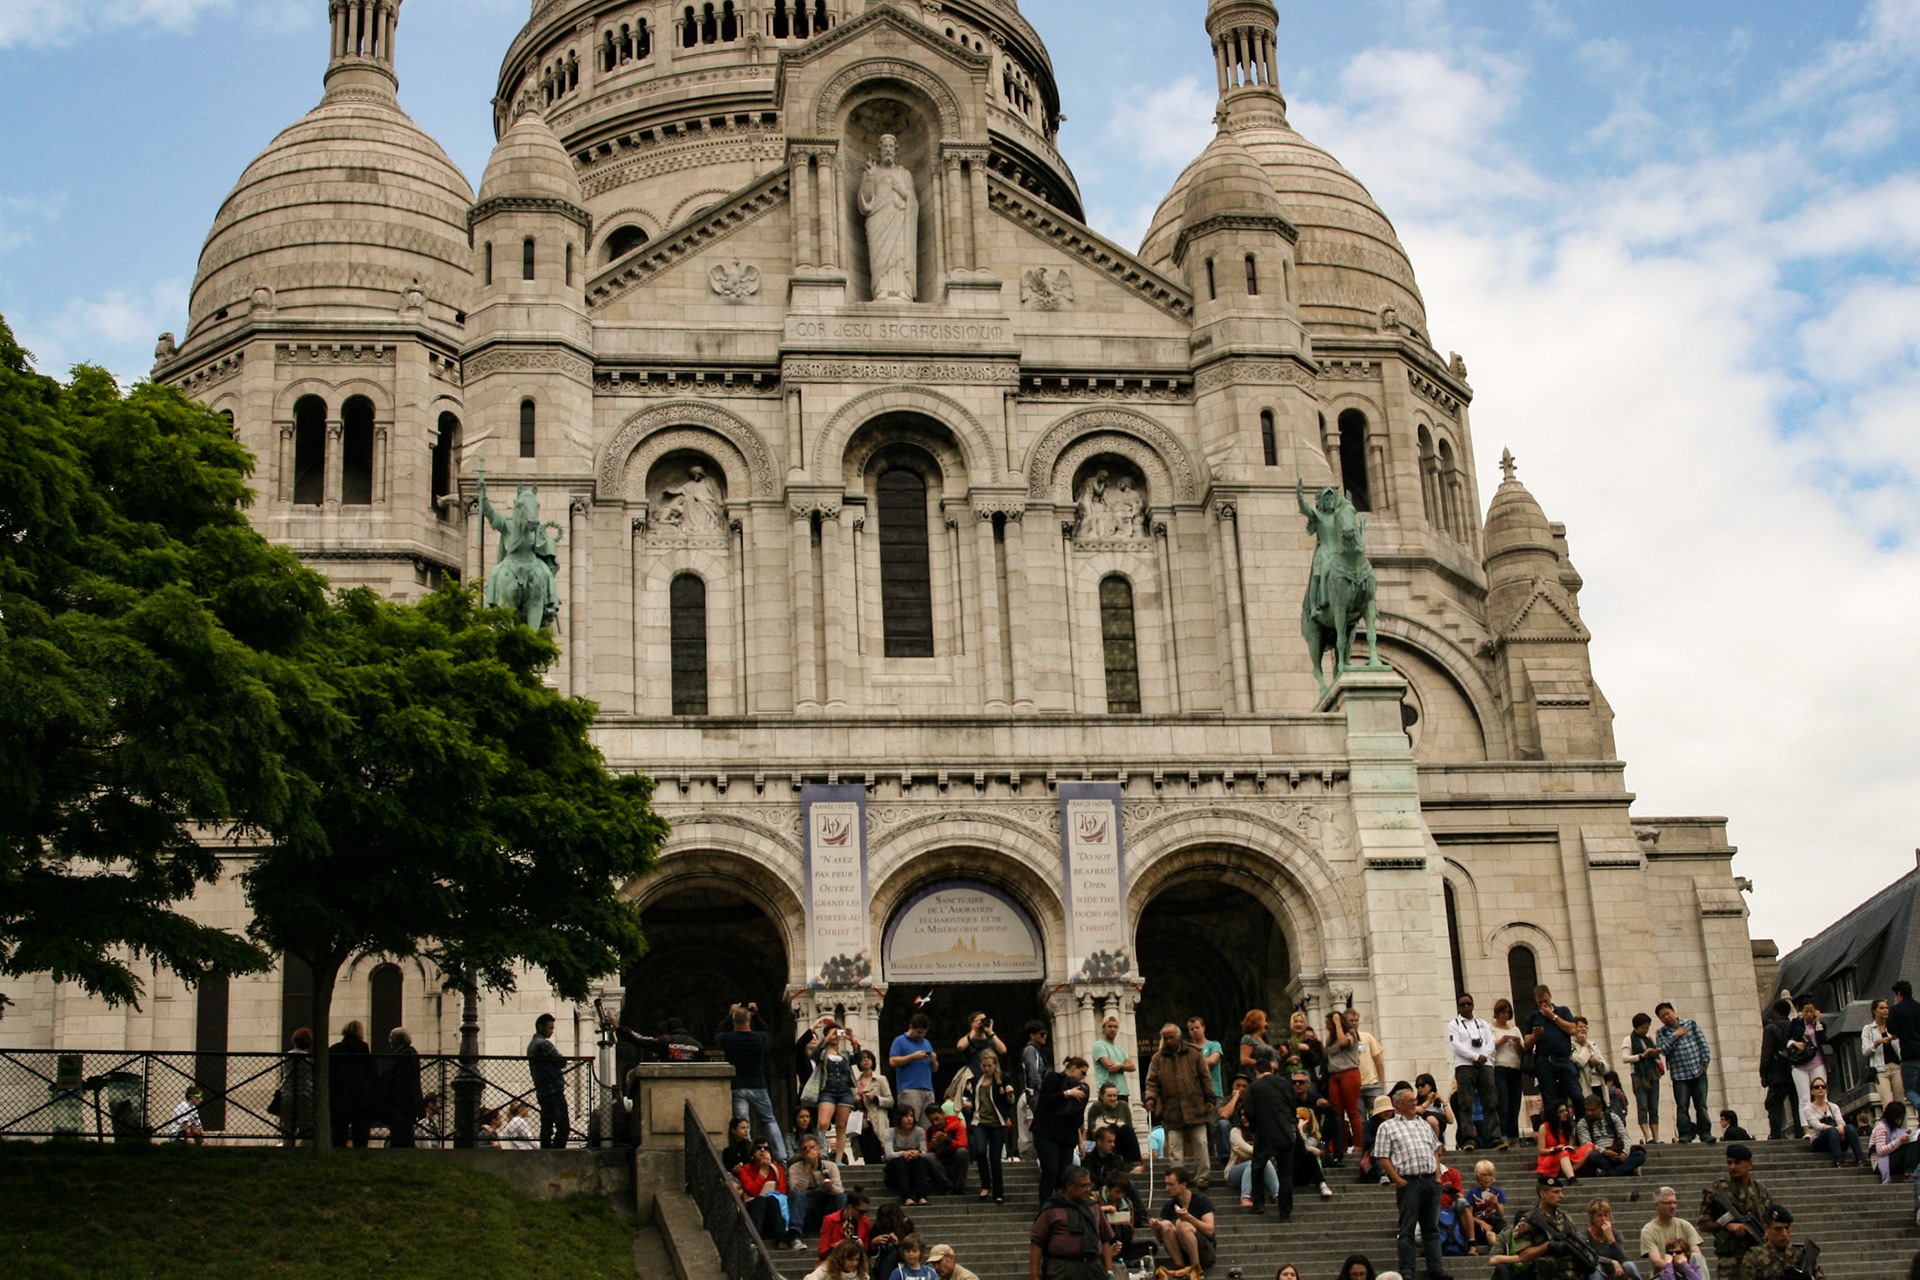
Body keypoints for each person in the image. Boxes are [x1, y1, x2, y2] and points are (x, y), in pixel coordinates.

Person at [1374, 1084, 1450, 1280]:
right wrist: (1397, 1180)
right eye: (1410, 1101)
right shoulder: (1388, 1126)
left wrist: (1438, 1176)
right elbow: (1382, 1156)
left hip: (1430, 1180)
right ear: (1398, 1104)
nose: (1415, 1103)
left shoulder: (1423, 1124)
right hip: (1409, 1182)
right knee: (1407, 1229)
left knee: (1431, 1228)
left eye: (1415, 1100)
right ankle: (1407, 1270)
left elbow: (1436, 1149)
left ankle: (1436, 1268)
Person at [1144, 1021, 1216, 1183]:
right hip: (1172, 1111)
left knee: (1201, 1143)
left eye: (1171, 1038)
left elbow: (1206, 1078)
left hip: (1196, 1107)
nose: (1168, 1041)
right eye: (1165, 1038)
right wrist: (1150, 1097)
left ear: (1178, 1037)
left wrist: (1210, 1098)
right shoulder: (1158, 1059)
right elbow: (1152, 1082)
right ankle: (1179, 1180)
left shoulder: (1195, 1054)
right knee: (1175, 1149)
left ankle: (1202, 1177)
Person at [716, 1002, 787, 1163]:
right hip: (759, 1085)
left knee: (743, 1124)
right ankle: (782, 1155)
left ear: (734, 1022)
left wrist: (729, 1015)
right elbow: (766, 1031)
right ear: (749, 1021)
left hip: (738, 1086)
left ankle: (748, 1155)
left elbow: (718, 1034)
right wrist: (757, 1015)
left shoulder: (729, 1039)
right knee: (769, 1120)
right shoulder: (759, 1038)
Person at [1696, 1142, 1771, 1274]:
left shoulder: (1760, 1190)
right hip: (1731, 1261)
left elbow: (1771, 1219)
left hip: (1759, 1258)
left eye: (1737, 1163)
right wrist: (1727, 1226)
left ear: (1750, 1165)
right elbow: (1703, 1223)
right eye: (1729, 1163)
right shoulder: (1718, 1189)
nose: (1732, 1167)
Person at [1028, 1166, 1115, 1280]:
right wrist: (1035, 1276)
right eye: (1083, 1186)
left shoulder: (1094, 1207)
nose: (1088, 1189)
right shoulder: (1052, 1210)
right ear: (1069, 1186)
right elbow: (1037, 1243)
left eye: (1089, 1185)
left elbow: (1105, 1240)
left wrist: (1109, 1271)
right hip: (1062, 1268)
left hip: (1093, 1267)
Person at [1496, 1174, 1579, 1280]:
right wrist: (1547, 1246)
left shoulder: (1565, 1216)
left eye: (1561, 1191)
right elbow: (1524, 1255)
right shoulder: (1529, 1220)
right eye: (1556, 1192)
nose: (1561, 1195)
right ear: (1543, 1194)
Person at [1447, 994, 1503, 1152]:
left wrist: (1483, 1056)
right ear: (1458, 1007)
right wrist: (1475, 1056)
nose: (1466, 1007)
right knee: (1465, 1102)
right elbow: (1455, 1045)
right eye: (1462, 1005)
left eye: (1468, 1004)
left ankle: (1494, 1137)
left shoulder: (1482, 1023)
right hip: (1465, 1065)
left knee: (1490, 1101)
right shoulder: (1454, 1024)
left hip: (1484, 1065)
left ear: (1473, 1005)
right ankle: (1469, 1138)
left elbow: (1490, 1041)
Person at [1033, 1056, 1090, 1206]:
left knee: (1064, 1174)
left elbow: (1078, 1117)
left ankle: (1061, 1204)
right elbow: (1046, 1100)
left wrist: (1080, 1140)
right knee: (1050, 1170)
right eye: (1082, 1073)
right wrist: (1068, 1093)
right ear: (1073, 1068)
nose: (1083, 1077)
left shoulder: (1081, 1088)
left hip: (1066, 1135)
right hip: (1047, 1132)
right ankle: (1045, 1205)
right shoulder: (1053, 1078)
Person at [1654, 1003, 1713, 1145]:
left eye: (1668, 1013)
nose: (1666, 1017)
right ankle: (1685, 1134)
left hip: (1697, 1072)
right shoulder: (1662, 1033)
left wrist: (1704, 1063)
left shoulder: (1690, 1024)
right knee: (1682, 1106)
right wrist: (1675, 1035)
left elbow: (1702, 1043)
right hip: (1679, 1075)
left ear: (1673, 1011)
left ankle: (1705, 1132)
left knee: (1701, 1105)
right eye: (1663, 1017)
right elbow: (1664, 1049)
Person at [960, 1049, 1013, 1203]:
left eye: (989, 1066)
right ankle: (985, 1184)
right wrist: (969, 1104)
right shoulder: (977, 1080)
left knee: (995, 1158)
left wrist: (1009, 1094)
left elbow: (1008, 1102)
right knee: (980, 1151)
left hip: (997, 1123)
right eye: (984, 1066)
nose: (987, 1069)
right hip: (980, 1121)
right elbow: (973, 1098)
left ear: (995, 1065)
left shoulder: (1003, 1079)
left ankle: (998, 1191)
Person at [1247, 1057, 1296, 1220]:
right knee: (1285, 1173)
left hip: (1265, 1132)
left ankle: (1258, 1203)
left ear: (1256, 1072)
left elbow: (1250, 1112)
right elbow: (1291, 1106)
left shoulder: (1254, 1087)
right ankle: (1285, 1211)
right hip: (1285, 1132)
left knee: (1258, 1166)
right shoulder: (1285, 1084)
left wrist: (1254, 1129)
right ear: (1271, 1069)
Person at [1524, 986, 1582, 1116]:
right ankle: (1555, 1129)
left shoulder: (1563, 1011)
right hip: (1544, 1062)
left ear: (1550, 997)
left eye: (1545, 1001)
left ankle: (1581, 1127)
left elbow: (1573, 1030)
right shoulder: (1533, 1017)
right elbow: (1526, 1043)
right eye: (1540, 1003)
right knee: (1551, 1101)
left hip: (1563, 1059)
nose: (1543, 1005)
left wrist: (1553, 1017)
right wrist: (1535, 1036)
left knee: (1576, 1095)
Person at [1147, 1167, 1217, 1274]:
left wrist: (1189, 1218)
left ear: (1183, 1185)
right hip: (1181, 1252)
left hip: (1204, 1251)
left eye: (1171, 1184)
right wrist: (1157, 1227)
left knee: (1182, 1225)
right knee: (1165, 1224)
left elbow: (1209, 1230)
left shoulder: (1202, 1201)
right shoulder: (1169, 1206)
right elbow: (1162, 1239)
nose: (1167, 1188)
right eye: (1166, 1184)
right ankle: (1180, 1267)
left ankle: (1196, 1269)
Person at [739, 1140, 800, 1248]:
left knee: (772, 1199)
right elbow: (752, 1191)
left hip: (773, 1208)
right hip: (755, 1207)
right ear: (753, 1152)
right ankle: (755, 1238)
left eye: (766, 1148)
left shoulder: (777, 1169)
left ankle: (781, 1238)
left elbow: (781, 1191)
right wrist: (763, 1172)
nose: (762, 1151)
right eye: (759, 1148)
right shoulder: (745, 1170)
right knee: (760, 1200)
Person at [1757, 999, 1802, 1142]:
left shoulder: (1771, 1028)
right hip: (1796, 1070)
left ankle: (1775, 1134)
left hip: (1778, 1073)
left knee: (1774, 1104)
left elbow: (1767, 1054)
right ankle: (1800, 1133)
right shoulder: (1795, 1027)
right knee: (1797, 1104)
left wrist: (1763, 1074)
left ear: (1776, 1012)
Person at [1738, 1206, 1824, 1279]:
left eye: (1787, 1228)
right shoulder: (1754, 1257)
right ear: (1766, 1229)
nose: (1784, 1234)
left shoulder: (1801, 1256)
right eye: (1778, 1229)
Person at [1637, 1186, 1706, 1279]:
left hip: (1688, 1273)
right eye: (1668, 1203)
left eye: (1674, 1202)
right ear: (1657, 1206)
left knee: (1697, 1258)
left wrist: (1686, 1268)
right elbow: (1656, 1261)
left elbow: (1697, 1254)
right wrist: (1674, 1267)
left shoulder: (1684, 1225)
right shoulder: (1648, 1230)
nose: (1673, 1206)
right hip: (1663, 1275)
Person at [815, 1024, 860, 1163]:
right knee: (823, 1123)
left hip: (844, 1091)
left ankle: (839, 1160)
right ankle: (820, 1153)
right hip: (828, 1090)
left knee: (841, 1126)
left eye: (837, 1034)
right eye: (832, 1034)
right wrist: (826, 1039)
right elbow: (814, 1055)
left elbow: (858, 1058)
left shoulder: (845, 1054)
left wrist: (852, 1040)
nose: (835, 1036)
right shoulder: (823, 1053)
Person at [1324, 1008, 1366, 1158]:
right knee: (1337, 1113)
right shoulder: (1330, 1039)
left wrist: (1338, 1024)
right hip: (1334, 1075)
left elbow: (1343, 1042)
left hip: (1349, 1073)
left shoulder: (1350, 1034)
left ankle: (1359, 1144)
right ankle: (1339, 1146)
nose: (1328, 1026)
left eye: (1329, 1024)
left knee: (1352, 1110)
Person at [1575, 1093, 1646, 1178]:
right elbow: (1586, 1144)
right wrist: (1604, 1151)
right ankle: (1624, 1170)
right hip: (1600, 1155)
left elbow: (1624, 1136)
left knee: (1640, 1155)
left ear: (1600, 1108)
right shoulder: (1583, 1123)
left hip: (1617, 1152)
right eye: (1588, 1110)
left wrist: (1625, 1152)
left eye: (1593, 1110)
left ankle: (1612, 1172)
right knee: (1591, 1157)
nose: (1590, 1113)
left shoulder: (1613, 1117)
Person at [1091, 1015, 1137, 1147]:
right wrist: (1123, 1066)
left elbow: (1132, 1066)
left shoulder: (1121, 1050)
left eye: (1115, 1027)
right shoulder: (1099, 1046)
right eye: (1109, 1026)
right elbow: (1109, 1066)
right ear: (1103, 1028)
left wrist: (1121, 1066)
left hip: (1122, 1092)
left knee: (1125, 1127)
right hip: (1107, 1093)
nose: (1112, 1029)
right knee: (1107, 1129)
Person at [790, 1134, 849, 1235]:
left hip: (826, 1208)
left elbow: (839, 1190)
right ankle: (796, 1231)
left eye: (812, 1147)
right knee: (798, 1196)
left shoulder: (830, 1166)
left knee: (841, 1197)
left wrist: (830, 1187)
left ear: (818, 1150)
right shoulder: (795, 1168)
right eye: (805, 1149)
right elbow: (795, 1191)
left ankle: (844, 1229)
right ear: (802, 1154)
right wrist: (807, 1168)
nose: (809, 1151)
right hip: (807, 1208)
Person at [1187, 1016, 1228, 1162]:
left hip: (1214, 1093)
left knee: (1214, 1126)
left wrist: (1193, 1061)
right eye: (1191, 1029)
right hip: (1196, 1095)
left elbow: (1212, 1060)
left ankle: (1219, 1157)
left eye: (1197, 1027)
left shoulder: (1213, 1045)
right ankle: (1207, 1158)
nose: (1195, 1031)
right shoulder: (1188, 1049)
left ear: (1203, 1028)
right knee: (1201, 1130)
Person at [328, 1020, 373, 1149]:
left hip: (339, 1094)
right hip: (359, 1095)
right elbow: (370, 1071)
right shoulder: (363, 1048)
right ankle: (360, 1151)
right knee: (360, 1129)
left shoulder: (335, 1049)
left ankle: (338, 1150)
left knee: (339, 1129)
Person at [1226, 1110, 1283, 1209]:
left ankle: (1278, 1196)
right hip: (1235, 1172)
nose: (1243, 1117)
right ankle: (1245, 1198)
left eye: (1246, 1114)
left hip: (1260, 1172)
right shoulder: (1236, 1131)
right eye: (1241, 1115)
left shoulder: (1262, 1132)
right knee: (1254, 1163)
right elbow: (1241, 1145)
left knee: (1266, 1162)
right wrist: (1259, 1153)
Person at [891, 1014, 939, 1130]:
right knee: (909, 1123)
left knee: (928, 1125)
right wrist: (913, 1056)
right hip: (909, 1088)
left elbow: (935, 1069)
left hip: (927, 1089)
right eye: (918, 1032)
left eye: (923, 1033)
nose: (920, 1036)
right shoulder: (900, 1041)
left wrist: (933, 1060)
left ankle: (924, 1147)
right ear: (911, 1027)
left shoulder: (926, 1043)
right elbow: (892, 1061)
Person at [1800, 1078, 1863, 1166]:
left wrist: (1841, 1127)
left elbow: (1840, 1120)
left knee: (1849, 1128)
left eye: (1823, 1087)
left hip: (1837, 1139)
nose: (1820, 1089)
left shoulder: (1833, 1106)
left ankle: (1860, 1159)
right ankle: (1838, 1160)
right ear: (1812, 1092)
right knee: (1832, 1130)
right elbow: (1817, 1125)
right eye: (1817, 1087)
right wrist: (1837, 1129)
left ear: (1826, 1090)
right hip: (1819, 1142)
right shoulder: (1808, 1109)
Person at [528, 1014, 568, 1150]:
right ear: (541, 1027)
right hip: (553, 1089)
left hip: (542, 1090)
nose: (552, 1031)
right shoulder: (544, 1044)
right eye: (550, 1028)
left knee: (547, 1125)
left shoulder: (532, 1045)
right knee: (563, 1126)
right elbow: (561, 1061)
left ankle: (545, 1150)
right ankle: (557, 1152)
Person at [885, 1107, 940, 1205]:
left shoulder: (919, 1131)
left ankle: (921, 1196)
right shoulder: (890, 1132)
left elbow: (924, 1152)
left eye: (911, 1116)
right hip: (895, 1170)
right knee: (899, 1161)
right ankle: (906, 1196)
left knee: (921, 1161)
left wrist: (916, 1153)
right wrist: (903, 1153)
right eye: (906, 1116)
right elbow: (889, 1155)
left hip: (913, 1168)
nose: (910, 1119)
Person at [1490, 1000, 1527, 1142]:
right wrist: (1501, 1041)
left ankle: (1514, 1134)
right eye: (1502, 1012)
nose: (1505, 1015)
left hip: (1515, 1068)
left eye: (1507, 1013)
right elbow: (1489, 1046)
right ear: (1497, 1013)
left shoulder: (1515, 1029)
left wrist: (1517, 1043)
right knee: (1503, 1102)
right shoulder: (1491, 1028)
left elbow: (1522, 1050)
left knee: (1514, 1103)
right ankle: (1503, 1133)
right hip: (1500, 1068)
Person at [1622, 1013, 1662, 1146]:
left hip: (1652, 1075)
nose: (1645, 1030)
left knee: (1654, 1107)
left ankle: (1656, 1136)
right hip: (1639, 1076)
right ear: (1636, 1027)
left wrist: (1655, 1053)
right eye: (1643, 1028)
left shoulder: (1648, 1040)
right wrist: (1642, 1055)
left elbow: (1656, 1058)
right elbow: (1625, 1058)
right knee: (1643, 1105)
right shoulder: (1629, 1040)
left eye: (1647, 1027)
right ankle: (1647, 1136)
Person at [1535, 1099, 1594, 1183]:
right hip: (1550, 1157)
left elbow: (1570, 1146)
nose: (1565, 1113)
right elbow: (1541, 1150)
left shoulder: (1568, 1127)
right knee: (1563, 1153)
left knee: (1589, 1147)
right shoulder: (1544, 1127)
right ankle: (1571, 1178)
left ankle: (1566, 1171)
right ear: (1554, 1114)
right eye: (1561, 1111)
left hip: (1566, 1156)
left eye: (1566, 1110)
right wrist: (1555, 1149)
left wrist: (1569, 1148)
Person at [1086, 1083, 1144, 1168]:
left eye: (1115, 1096)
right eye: (1109, 1096)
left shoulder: (1123, 1106)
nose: (1113, 1099)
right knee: (1113, 1128)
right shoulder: (1096, 1107)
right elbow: (1092, 1129)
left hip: (1120, 1139)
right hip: (1102, 1140)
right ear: (1102, 1096)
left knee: (1126, 1129)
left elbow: (1129, 1127)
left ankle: (1136, 1161)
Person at [1784, 1003, 1825, 1117]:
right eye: (1806, 1012)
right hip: (1800, 1064)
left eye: (1811, 1012)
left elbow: (1822, 1040)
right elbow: (1784, 1040)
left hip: (1817, 1062)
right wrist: (1795, 1043)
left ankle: (1822, 1122)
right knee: (1804, 1098)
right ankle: (1807, 1128)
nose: (1809, 1014)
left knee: (1821, 1094)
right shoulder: (1796, 1024)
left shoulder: (1820, 1025)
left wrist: (1817, 1023)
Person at [384, 1026, 422, 1148]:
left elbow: (402, 1083)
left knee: (401, 1137)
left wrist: (398, 1106)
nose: (389, 1040)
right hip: (405, 1106)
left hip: (403, 1107)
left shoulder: (405, 1055)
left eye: (391, 1038)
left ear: (398, 1040)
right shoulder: (406, 1054)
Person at [1584, 1199, 1641, 1279]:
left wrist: (1611, 1238)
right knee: (1596, 1268)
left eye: (1605, 1215)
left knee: (1629, 1265)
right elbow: (1590, 1256)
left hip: (1616, 1271)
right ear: (1592, 1218)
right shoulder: (1585, 1235)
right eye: (1599, 1216)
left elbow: (1623, 1258)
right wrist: (1612, 1262)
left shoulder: (1616, 1234)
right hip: (1597, 1270)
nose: (1603, 1219)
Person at [1348, 1008, 1389, 1117]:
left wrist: (1381, 1082)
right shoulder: (1342, 1041)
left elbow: (1378, 1060)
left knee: (1379, 1116)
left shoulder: (1367, 1037)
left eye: (1356, 1020)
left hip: (1372, 1084)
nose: (1354, 1023)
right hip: (1354, 1087)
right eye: (1351, 1020)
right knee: (1360, 1120)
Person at [856, 1049, 895, 1165]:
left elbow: (890, 1101)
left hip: (877, 1118)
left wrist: (876, 1098)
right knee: (865, 1149)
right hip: (862, 1121)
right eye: (863, 1058)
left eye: (868, 1058)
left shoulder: (880, 1079)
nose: (866, 1060)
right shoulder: (856, 1082)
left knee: (877, 1148)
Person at [279, 1027, 315, 1147]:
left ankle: (287, 1146)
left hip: (287, 1093)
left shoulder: (286, 1057)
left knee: (287, 1127)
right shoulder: (310, 1058)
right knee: (307, 1127)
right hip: (306, 1092)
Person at [1462, 1160, 1506, 1254]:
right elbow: (1469, 1215)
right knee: (1486, 1232)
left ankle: (1498, 1241)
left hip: (1495, 1220)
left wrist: (1496, 1203)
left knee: (1504, 1227)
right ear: (1478, 1176)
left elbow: (1501, 1214)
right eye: (1484, 1175)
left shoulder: (1498, 1192)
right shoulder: (1473, 1193)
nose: (1487, 1178)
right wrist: (1481, 1222)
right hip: (1480, 1222)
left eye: (1490, 1175)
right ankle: (1495, 1243)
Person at [1866, 997, 1902, 1107]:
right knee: (1888, 1104)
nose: (1885, 1010)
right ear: (1874, 1011)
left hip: (1896, 1067)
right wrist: (1878, 1042)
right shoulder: (1868, 1029)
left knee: (1900, 1103)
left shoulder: (1893, 1026)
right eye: (1882, 1008)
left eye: (1886, 1008)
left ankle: (1901, 1125)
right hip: (1881, 1070)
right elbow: (1865, 1051)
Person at [1870, 1099, 1917, 1182]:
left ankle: (1912, 1170)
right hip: (1881, 1162)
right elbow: (1880, 1151)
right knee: (1910, 1146)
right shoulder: (1881, 1128)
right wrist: (1899, 1141)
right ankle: (1909, 1172)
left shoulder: (1897, 1129)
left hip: (1893, 1159)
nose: (1900, 1120)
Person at [817, 1188, 872, 1259]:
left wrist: (862, 1246)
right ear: (850, 1207)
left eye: (865, 1212)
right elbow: (822, 1252)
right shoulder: (830, 1220)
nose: (863, 1215)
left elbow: (867, 1251)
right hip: (833, 1261)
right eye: (861, 1212)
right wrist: (838, 1246)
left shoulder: (865, 1222)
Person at [928, 1101, 970, 1194]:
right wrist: (932, 1147)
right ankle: (947, 1186)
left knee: (962, 1151)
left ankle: (959, 1187)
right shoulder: (930, 1131)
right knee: (929, 1156)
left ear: (943, 1114)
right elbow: (926, 1151)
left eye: (937, 1119)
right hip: (940, 1165)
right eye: (932, 1121)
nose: (935, 1123)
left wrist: (948, 1141)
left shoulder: (957, 1125)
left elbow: (963, 1144)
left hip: (955, 1161)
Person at [1892, 981, 1920, 1109]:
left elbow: (1892, 1029)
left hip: (1909, 1055)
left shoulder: (1897, 1010)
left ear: (1899, 994)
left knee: (1909, 1090)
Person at [1572, 1017, 1610, 1105]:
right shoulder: (1571, 1046)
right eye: (1580, 1027)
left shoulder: (1593, 1044)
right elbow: (1579, 1062)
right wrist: (1584, 1045)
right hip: (1584, 1085)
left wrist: (1599, 1064)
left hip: (1598, 1083)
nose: (1583, 1029)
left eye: (1585, 1027)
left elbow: (1607, 1068)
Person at [958, 1013, 1008, 1080]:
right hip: (973, 1077)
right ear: (971, 1023)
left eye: (983, 1020)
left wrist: (990, 1032)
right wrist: (974, 1029)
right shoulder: (968, 1041)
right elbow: (960, 1046)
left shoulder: (991, 1041)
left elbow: (1003, 1050)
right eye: (978, 1020)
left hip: (992, 1078)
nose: (981, 1022)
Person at [1413, 1073, 1453, 1149]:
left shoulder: (1437, 1103)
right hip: (1420, 1134)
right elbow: (1417, 1110)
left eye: (1422, 1085)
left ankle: (1437, 1144)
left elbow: (1450, 1120)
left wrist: (1444, 1102)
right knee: (1431, 1120)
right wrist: (1428, 1101)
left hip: (1438, 1135)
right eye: (1417, 1086)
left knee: (1432, 1120)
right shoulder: (1415, 1100)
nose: (1420, 1088)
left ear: (1430, 1086)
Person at [1240, 1009, 1278, 1079]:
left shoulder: (1264, 1040)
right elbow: (1244, 1060)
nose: (1266, 1024)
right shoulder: (1248, 1038)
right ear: (1256, 1022)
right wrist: (1265, 1065)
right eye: (1264, 1021)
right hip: (1257, 1077)